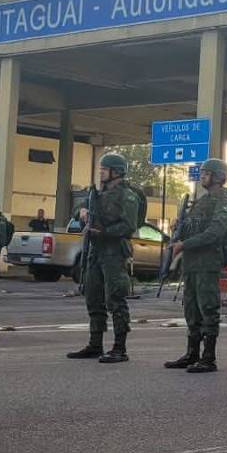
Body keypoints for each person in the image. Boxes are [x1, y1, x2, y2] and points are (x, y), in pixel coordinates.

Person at [66, 152, 142, 363]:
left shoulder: (127, 196)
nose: (101, 173)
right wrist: (81, 211)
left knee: (115, 299)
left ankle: (120, 347)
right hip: (95, 251)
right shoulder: (97, 194)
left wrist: (104, 232)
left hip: (114, 252)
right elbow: (77, 208)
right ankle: (95, 344)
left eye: (104, 169)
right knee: (93, 297)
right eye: (100, 169)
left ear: (116, 172)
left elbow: (129, 226)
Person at [164, 158, 227, 373]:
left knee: (208, 309)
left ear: (219, 177)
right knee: (191, 310)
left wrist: (184, 244)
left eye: (207, 173)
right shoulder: (201, 202)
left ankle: (208, 357)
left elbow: (214, 234)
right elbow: (192, 229)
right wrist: (179, 226)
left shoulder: (225, 202)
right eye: (203, 173)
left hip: (207, 264)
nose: (203, 176)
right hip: (192, 264)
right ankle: (192, 353)